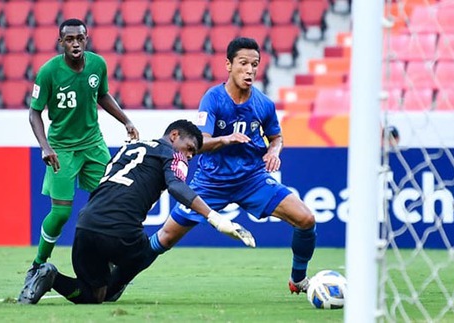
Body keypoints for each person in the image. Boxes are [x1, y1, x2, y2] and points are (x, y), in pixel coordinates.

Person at [122, 37, 317, 295]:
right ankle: (120, 278)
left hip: (252, 180)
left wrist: (274, 150)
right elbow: (198, 143)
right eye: (243, 63)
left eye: (255, 64)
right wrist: (226, 139)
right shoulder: (212, 99)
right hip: (210, 182)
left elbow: (276, 136)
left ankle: (298, 279)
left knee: (306, 219)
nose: (250, 70)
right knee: (165, 237)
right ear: (228, 64)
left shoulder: (264, 104)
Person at [19, 120, 255, 304]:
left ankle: (50, 275)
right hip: (120, 232)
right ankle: (115, 283)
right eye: (189, 148)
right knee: (151, 249)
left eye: (193, 153)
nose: (190, 156)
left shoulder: (129, 146)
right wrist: (213, 217)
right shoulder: (173, 155)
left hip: (86, 226)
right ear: (174, 136)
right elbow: (176, 185)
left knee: (93, 295)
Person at [18, 18, 139, 303]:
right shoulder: (48, 72)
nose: (75, 43)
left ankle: (109, 265)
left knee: (111, 204)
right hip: (61, 148)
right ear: (61, 42)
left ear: (87, 39)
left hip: (94, 145)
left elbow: (103, 95)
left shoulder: (97, 65)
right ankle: (37, 265)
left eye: (79, 38)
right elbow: (34, 113)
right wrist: (45, 147)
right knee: (60, 214)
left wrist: (126, 121)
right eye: (69, 39)